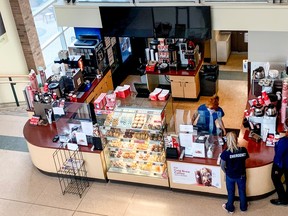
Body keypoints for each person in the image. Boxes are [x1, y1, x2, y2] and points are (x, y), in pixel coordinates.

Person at [220, 132, 249, 213]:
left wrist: (226, 172)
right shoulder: (243, 150)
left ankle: (230, 209)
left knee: (230, 192)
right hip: (241, 175)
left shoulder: (225, 153)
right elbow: (245, 160)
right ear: (236, 139)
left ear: (227, 141)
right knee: (242, 191)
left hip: (230, 176)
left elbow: (222, 165)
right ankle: (243, 208)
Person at [270, 131, 288, 206]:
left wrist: (276, 144)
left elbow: (278, 155)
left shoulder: (284, 141)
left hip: (283, 164)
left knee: (275, 178)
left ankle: (283, 199)